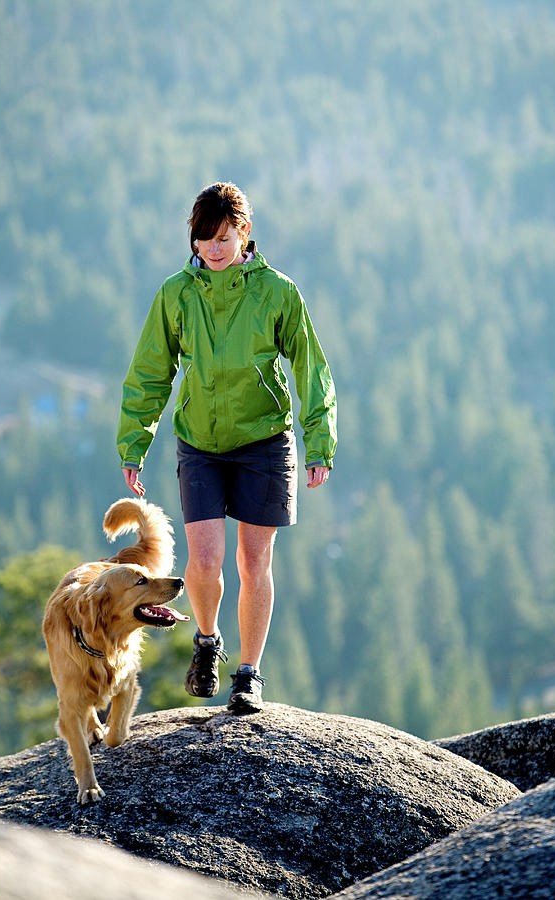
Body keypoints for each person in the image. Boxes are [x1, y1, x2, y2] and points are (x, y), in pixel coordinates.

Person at [117, 182, 336, 714]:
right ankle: (208, 641)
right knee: (206, 561)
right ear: (192, 239)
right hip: (200, 443)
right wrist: (133, 442)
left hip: (265, 442)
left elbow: (310, 368)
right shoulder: (176, 294)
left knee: (253, 561)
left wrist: (319, 441)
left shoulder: (278, 292)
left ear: (245, 232)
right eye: (203, 238)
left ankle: (249, 674)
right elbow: (151, 372)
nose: (213, 248)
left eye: (223, 236)